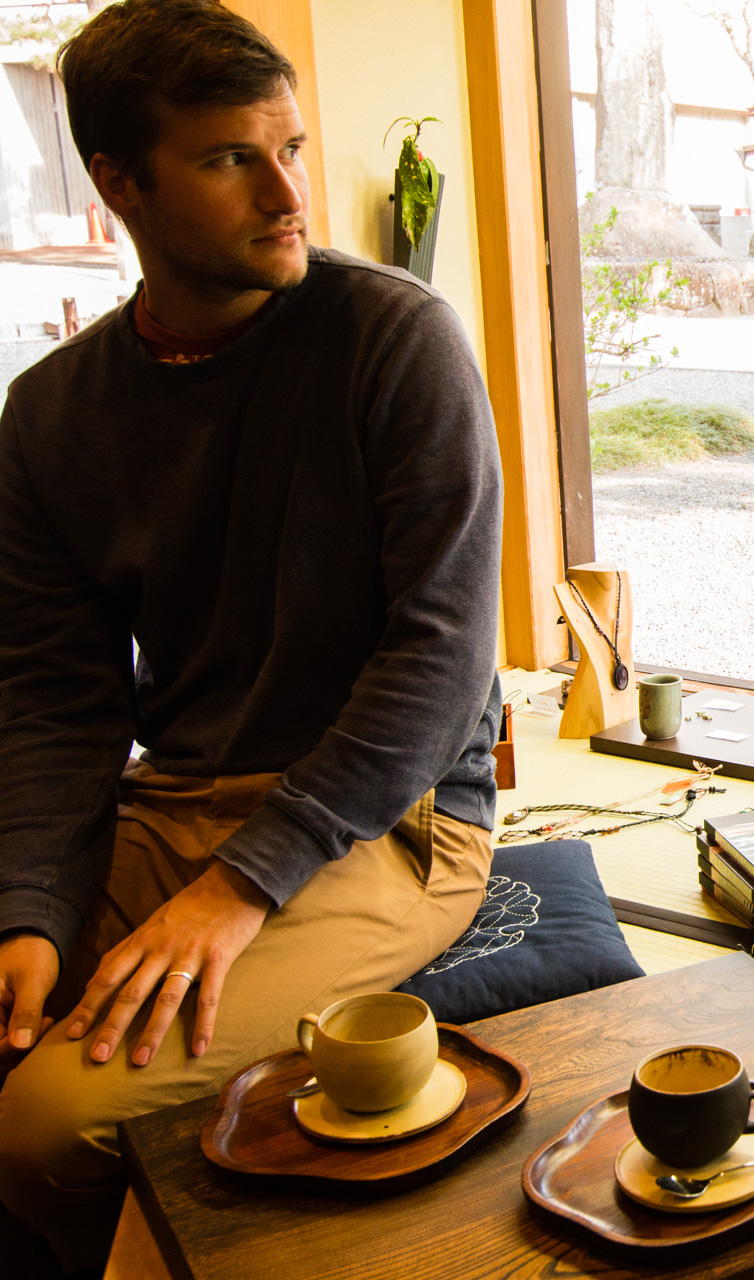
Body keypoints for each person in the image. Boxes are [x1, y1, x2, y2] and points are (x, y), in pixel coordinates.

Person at [0, 2, 504, 1272]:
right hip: (168, 799)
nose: (290, 191)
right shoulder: (52, 411)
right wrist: (33, 911)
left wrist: (237, 888)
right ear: (120, 182)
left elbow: (444, 662)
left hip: (395, 824)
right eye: (234, 158)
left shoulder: (394, 339)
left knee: (44, 1121)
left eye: (290, 144)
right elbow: (58, 702)